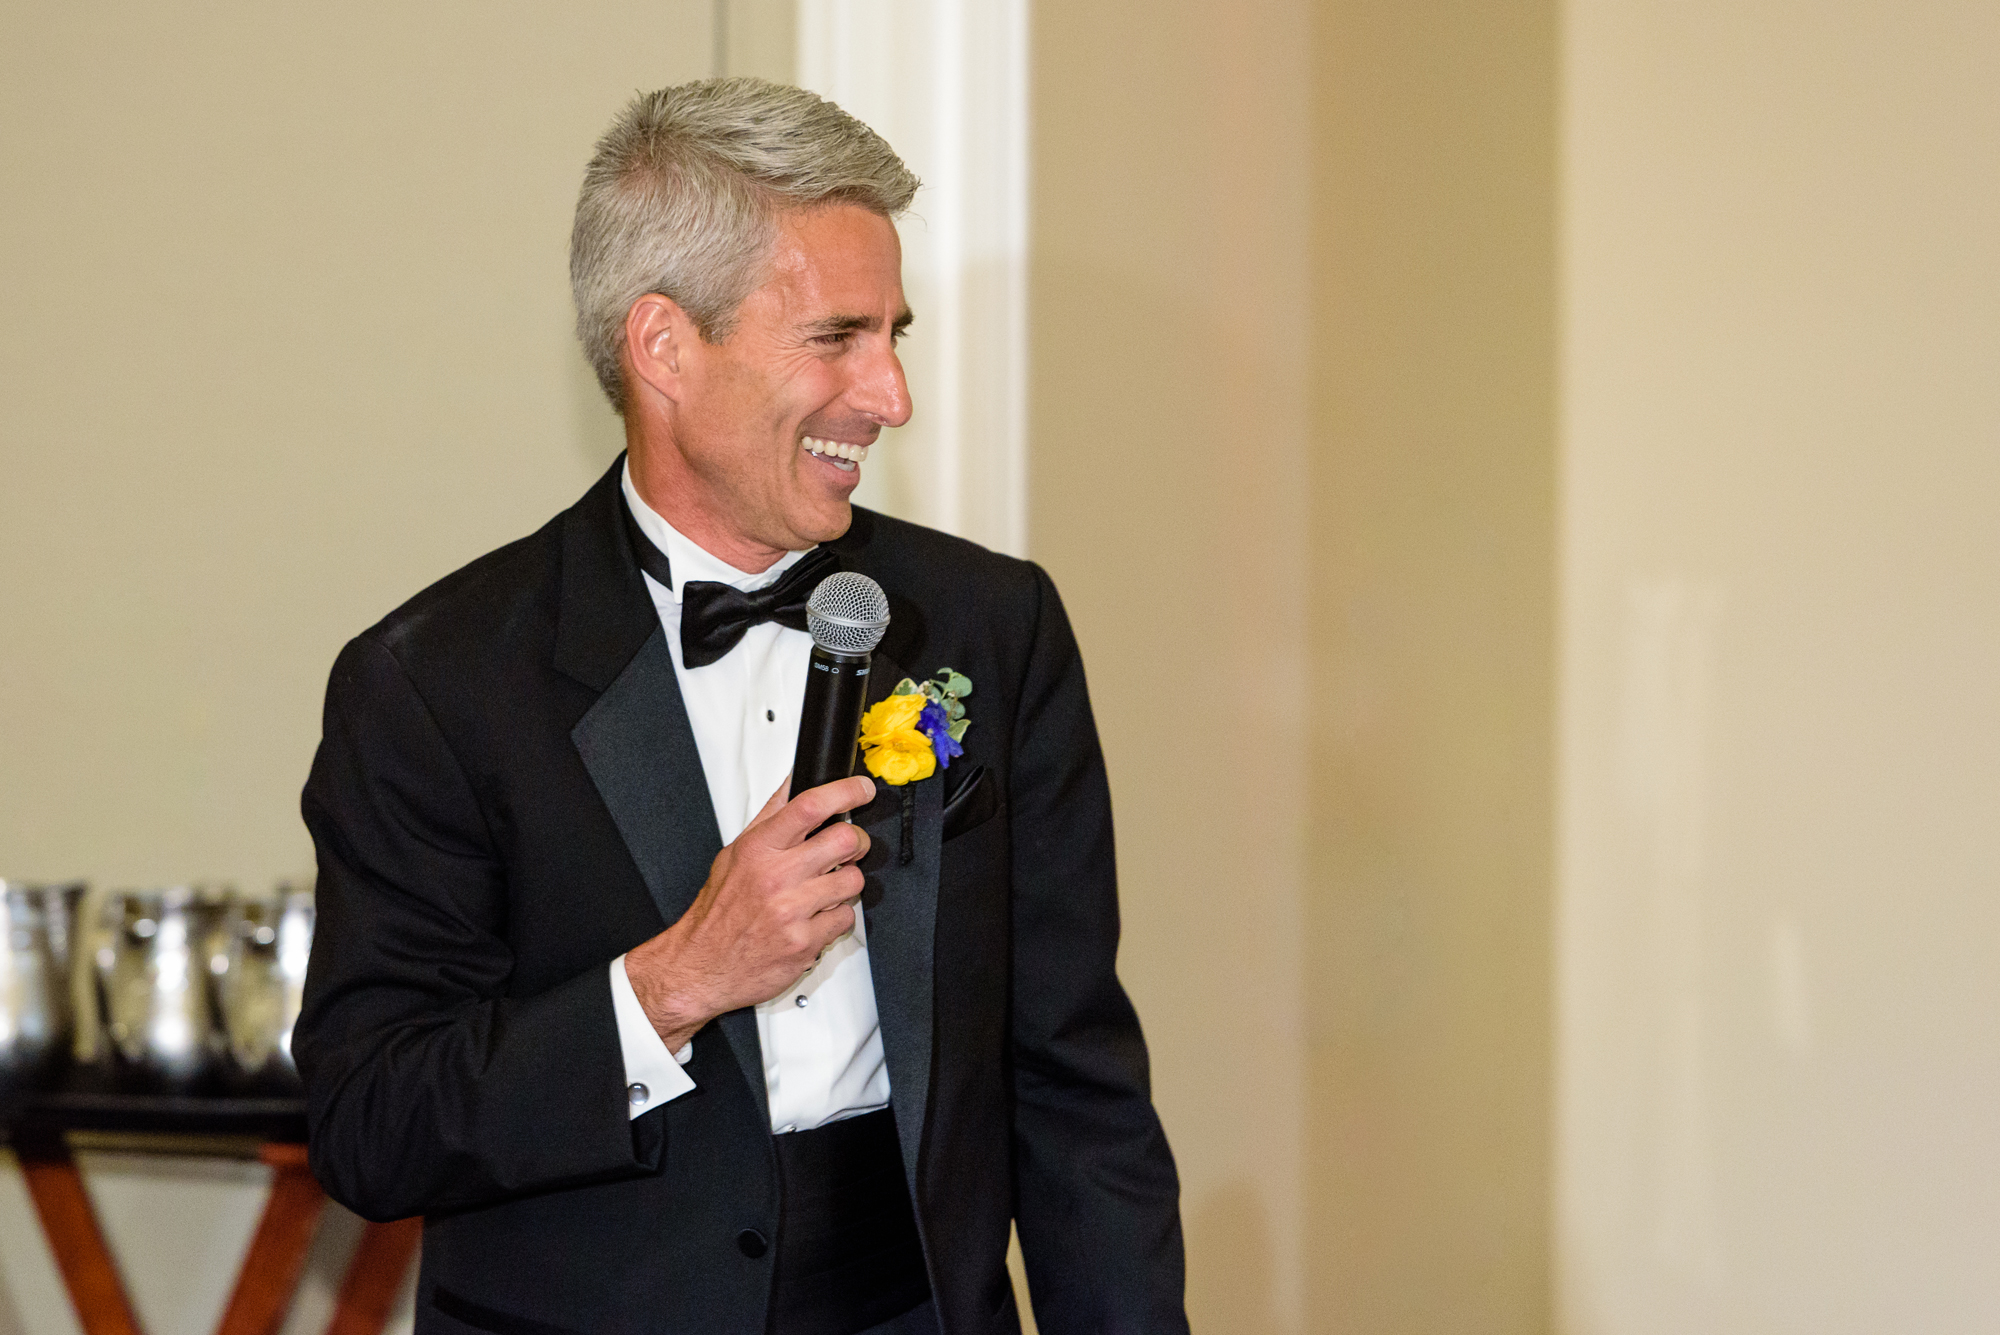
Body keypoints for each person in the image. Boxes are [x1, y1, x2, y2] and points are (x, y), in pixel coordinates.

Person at [295, 78, 1187, 1335]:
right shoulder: (434, 685)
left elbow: (1073, 1076)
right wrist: (672, 982)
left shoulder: (989, 624)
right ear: (663, 347)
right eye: (836, 337)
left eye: (896, 334)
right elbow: (370, 1125)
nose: (890, 396)